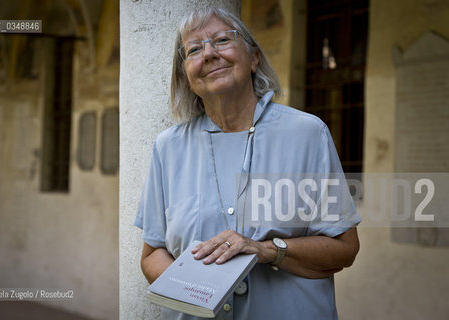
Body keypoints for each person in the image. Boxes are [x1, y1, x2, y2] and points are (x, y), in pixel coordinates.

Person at [135, 7, 361, 320]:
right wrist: (194, 291)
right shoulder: (168, 148)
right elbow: (152, 253)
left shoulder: (306, 133)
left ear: (253, 58)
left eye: (222, 40)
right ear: (186, 77)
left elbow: (343, 248)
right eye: (195, 49)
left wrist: (266, 250)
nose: (210, 54)